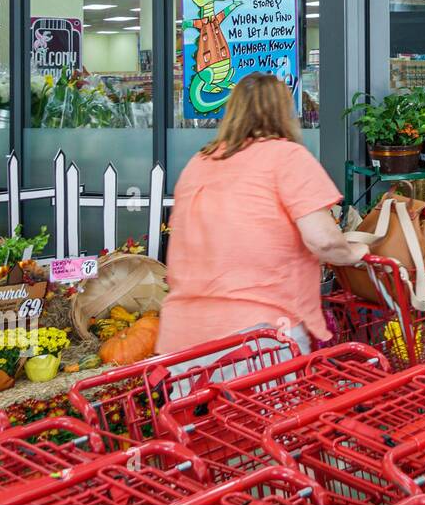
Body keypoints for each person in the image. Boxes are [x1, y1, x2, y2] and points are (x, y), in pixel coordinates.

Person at [159, 73, 371, 355]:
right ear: (285, 112)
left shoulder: (198, 163)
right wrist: (356, 253)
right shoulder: (287, 157)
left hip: (182, 335)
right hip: (256, 337)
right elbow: (324, 241)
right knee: (277, 401)